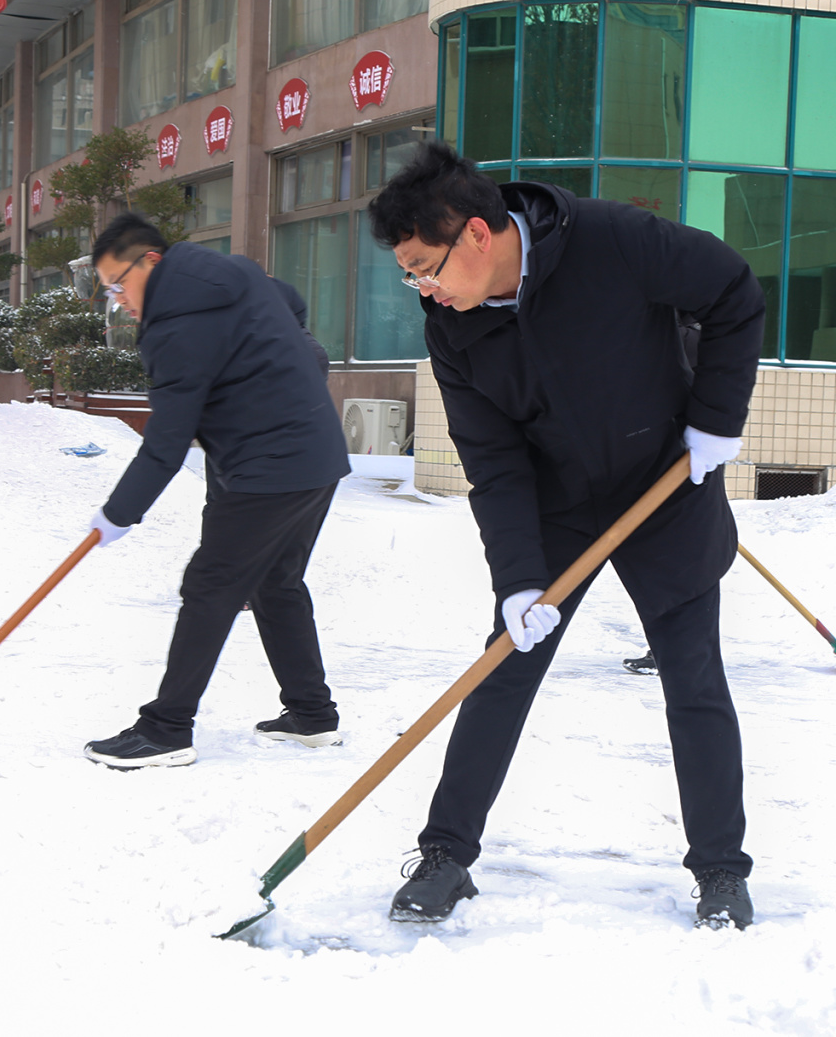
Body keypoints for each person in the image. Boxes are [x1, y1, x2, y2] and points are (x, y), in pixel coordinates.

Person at [367, 142, 764, 929]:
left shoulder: (611, 240)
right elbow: (494, 462)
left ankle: (721, 869)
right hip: (557, 502)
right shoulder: (453, 332)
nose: (423, 289)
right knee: (503, 668)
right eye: (410, 276)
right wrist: (518, 579)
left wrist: (716, 420)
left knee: (692, 677)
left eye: (425, 268)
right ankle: (446, 853)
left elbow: (732, 290)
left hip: (666, 482)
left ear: (476, 233)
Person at [82, 211, 350, 769]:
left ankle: (166, 730)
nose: (119, 300)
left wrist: (117, 514)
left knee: (211, 585)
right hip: (318, 453)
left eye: (118, 284)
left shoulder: (174, 330)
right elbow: (292, 303)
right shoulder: (237, 273)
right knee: (276, 582)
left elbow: (165, 444)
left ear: (150, 260)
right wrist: (283, 372)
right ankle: (312, 715)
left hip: (268, 468)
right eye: (109, 291)